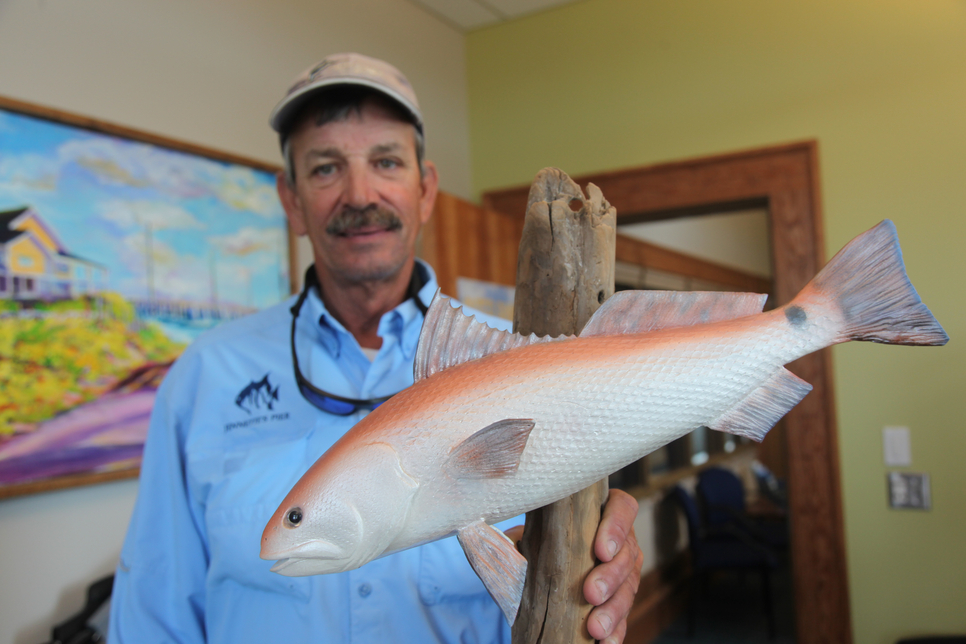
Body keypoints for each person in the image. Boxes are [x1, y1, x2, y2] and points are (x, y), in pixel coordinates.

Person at [109, 53, 643, 643]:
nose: (359, 194)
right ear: (291, 200)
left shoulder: (522, 361)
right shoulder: (205, 377)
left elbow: (571, 577)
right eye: (325, 168)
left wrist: (602, 561)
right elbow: (153, 611)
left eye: (385, 162)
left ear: (426, 190)